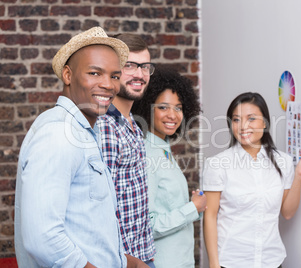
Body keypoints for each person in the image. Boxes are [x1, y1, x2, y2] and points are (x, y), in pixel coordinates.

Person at [13, 27, 145, 267]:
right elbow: (43, 238)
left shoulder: (82, 132)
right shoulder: (58, 134)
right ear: (67, 75)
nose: (108, 85)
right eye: (95, 73)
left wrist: (128, 263)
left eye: (115, 76)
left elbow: (86, 227)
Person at [203, 92, 301, 268]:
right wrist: (214, 264)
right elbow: (210, 216)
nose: (243, 126)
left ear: (264, 123)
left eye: (251, 119)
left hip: (271, 260)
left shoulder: (283, 162)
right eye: (236, 120)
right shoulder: (217, 164)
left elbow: (287, 213)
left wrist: (299, 175)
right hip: (231, 261)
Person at [131, 68, 207, 268]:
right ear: (148, 108)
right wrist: (193, 208)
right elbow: (148, 225)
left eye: (178, 108)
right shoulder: (147, 154)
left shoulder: (163, 150)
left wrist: (195, 206)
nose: (172, 115)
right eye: (163, 107)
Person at [97, 34, 156, 267]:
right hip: (120, 261)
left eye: (145, 67)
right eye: (130, 65)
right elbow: (101, 208)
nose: (140, 75)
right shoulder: (105, 127)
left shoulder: (132, 122)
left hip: (143, 254)